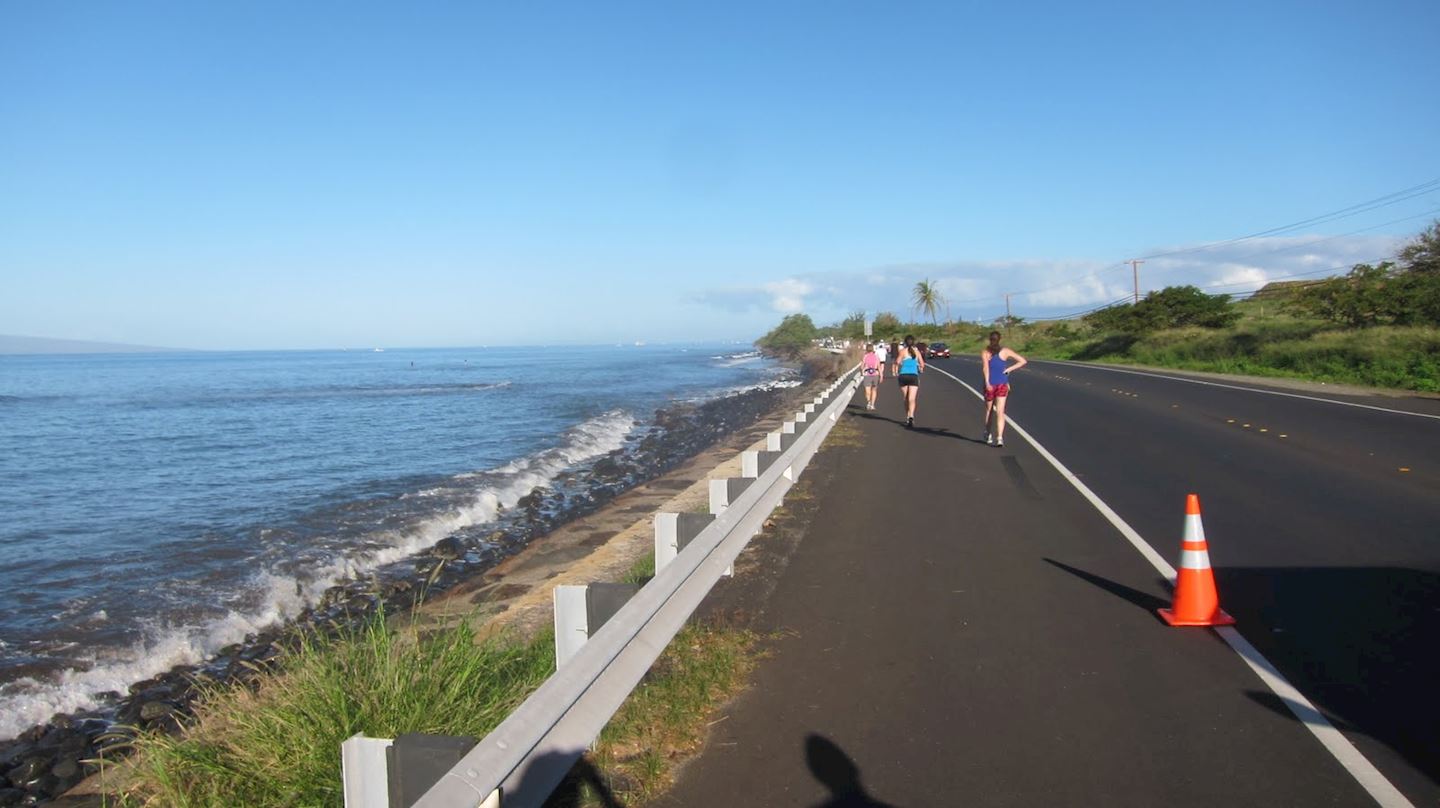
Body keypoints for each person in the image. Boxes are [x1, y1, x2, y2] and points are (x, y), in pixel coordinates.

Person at [982, 330, 1028, 446]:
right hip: (1002, 383)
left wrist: (987, 383)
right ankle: (1000, 437)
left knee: (989, 411)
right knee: (1000, 412)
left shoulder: (985, 352)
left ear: (990, 339)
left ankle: (988, 434)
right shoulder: (1005, 351)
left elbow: (985, 369)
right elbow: (1022, 361)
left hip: (991, 385)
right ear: (999, 339)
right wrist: (1008, 370)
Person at [892, 334, 925, 428]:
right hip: (913, 376)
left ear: (905, 342)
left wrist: (899, 366)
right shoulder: (916, 351)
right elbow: (922, 364)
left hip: (903, 375)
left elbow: (897, 362)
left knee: (905, 397)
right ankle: (911, 416)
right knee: (912, 398)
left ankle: (907, 416)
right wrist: (920, 368)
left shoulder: (903, 351)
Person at [860, 343, 884, 409]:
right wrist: (881, 375)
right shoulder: (876, 356)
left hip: (867, 374)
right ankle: (872, 404)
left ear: (866, 349)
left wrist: (861, 372)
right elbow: (879, 367)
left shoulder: (865, 356)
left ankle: (869, 402)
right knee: (874, 390)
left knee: (867, 391)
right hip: (875, 374)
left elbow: (862, 366)